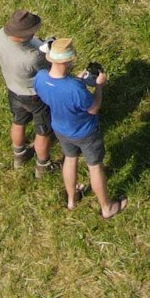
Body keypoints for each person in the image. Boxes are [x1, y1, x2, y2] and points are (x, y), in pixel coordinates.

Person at [33, 37, 121, 218]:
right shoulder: (74, 88)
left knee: (70, 160)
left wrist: (79, 80)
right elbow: (93, 108)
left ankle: (72, 200)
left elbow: (56, 91)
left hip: (60, 128)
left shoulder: (40, 78)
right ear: (69, 60)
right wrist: (99, 87)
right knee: (95, 167)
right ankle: (107, 208)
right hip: (85, 132)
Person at [0, 10, 55, 173]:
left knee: (18, 121)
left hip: (13, 89)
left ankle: (19, 154)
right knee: (43, 130)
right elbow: (49, 70)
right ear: (23, 35)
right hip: (34, 96)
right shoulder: (32, 56)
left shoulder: (1, 34)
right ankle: (43, 165)